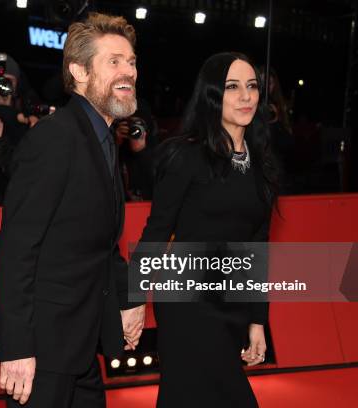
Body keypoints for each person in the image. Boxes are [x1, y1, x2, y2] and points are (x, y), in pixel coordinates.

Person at [0, 13, 145, 408]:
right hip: (42, 351)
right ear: (79, 71)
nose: (129, 71)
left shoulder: (103, 141)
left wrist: (127, 299)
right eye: (114, 62)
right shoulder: (55, 140)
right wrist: (18, 347)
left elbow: (100, 245)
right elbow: (16, 249)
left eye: (132, 61)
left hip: (81, 345)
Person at [136, 52, 278, 407]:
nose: (246, 97)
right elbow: (155, 232)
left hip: (231, 304)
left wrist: (258, 320)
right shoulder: (185, 156)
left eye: (251, 87)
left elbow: (257, 248)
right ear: (212, 95)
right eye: (232, 87)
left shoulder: (263, 165)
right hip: (187, 303)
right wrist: (134, 300)